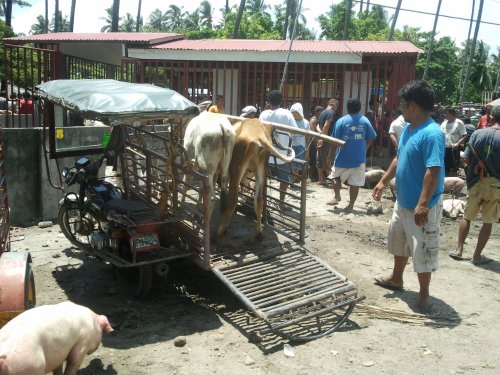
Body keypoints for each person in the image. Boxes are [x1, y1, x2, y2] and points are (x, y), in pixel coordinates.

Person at [372, 80, 445, 313]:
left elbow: (433, 170)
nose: (400, 107)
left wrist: (423, 203)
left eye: (403, 103)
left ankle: (424, 296)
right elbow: (398, 158)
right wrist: (383, 181)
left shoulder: (432, 133)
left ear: (413, 104)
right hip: (403, 201)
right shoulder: (409, 129)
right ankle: (396, 278)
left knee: (423, 249)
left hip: (422, 206)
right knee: (399, 242)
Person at [449, 105, 500, 264]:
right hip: (495, 185)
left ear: (490, 117)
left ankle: (459, 250)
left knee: (467, 216)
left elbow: (465, 158)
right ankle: (476, 256)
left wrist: (475, 165)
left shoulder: (478, 133)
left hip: (475, 182)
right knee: (488, 221)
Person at [328, 98, 377, 213]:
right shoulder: (365, 121)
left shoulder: (341, 121)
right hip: (359, 158)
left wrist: (329, 157)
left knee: (334, 176)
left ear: (347, 108)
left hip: (342, 157)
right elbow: (372, 137)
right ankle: (351, 205)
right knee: (355, 183)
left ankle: (337, 196)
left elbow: (334, 141)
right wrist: (365, 149)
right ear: (359, 108)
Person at [259, 90, 297, 204]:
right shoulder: (287, 113)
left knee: (262, 177)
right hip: (282, 155)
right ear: (281, 100)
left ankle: (262, 199)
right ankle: (281, 201)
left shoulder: (263, 114)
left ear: (269, 101)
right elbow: (294, 131)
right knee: (284, 180)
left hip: (265, 154)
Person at [316, 99, 338, 185]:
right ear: (334, 105)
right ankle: (334, 180)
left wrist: (320, 135)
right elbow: (326, 125)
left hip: (321, 138)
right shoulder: (331, 113)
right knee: (328, 159)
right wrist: (323, 137)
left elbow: (318, 126)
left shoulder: (322, 113)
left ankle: (321, 179)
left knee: (320, 160)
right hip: (327, 140)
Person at [440, 107, 467, 176]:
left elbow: (465, 135)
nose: (445, 115)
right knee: (445, 167)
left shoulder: (459, 123)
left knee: (453, 167)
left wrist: (457, 144)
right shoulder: (443, 124)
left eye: (446, 113)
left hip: (454, 149)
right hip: (444, 148)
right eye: (444, 113)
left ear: (451, 113)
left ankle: (454, 183)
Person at [290, 103, 310, 182]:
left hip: (300, 145)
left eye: (296, 113)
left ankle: (293, 181)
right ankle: (292, 180)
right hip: (291, 144)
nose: (294, 115)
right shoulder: (291, 121)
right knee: (290, 163)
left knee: (298, 164)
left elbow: (308, 136)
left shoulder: (306, 122)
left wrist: (307, 149)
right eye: (293, 113)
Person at [308, 106, 324, 182]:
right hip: (313, 143)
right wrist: (316, 142)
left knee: (316, 160)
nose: (322, 113)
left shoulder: (318, 120)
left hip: (316, 142)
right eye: (321, 111)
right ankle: (311, 177)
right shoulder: (313, 120)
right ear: (317, 112)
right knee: (313, 160)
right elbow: (312, 133)